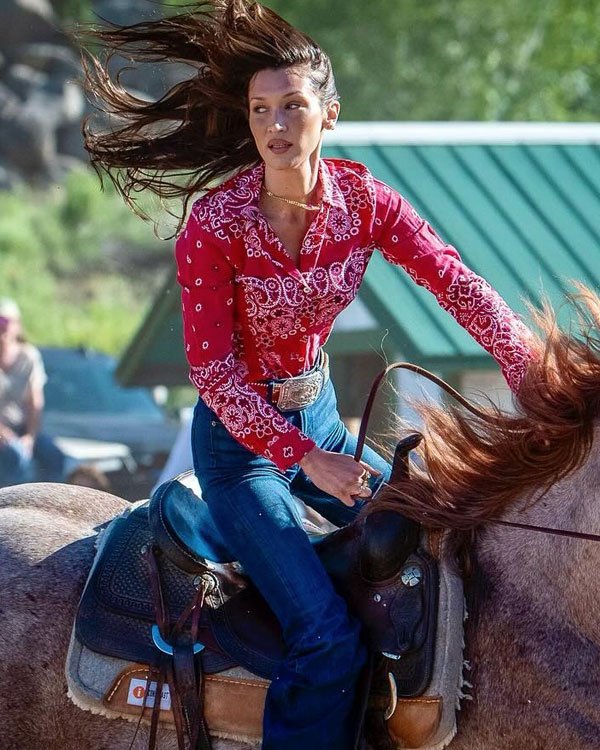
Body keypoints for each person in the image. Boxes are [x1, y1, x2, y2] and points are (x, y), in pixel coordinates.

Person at [80, 2, 533, 747]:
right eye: (262, 109)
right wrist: (308, 459)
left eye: (293, 106)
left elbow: (451, 280)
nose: (275, 125)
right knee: (325, 638)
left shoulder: (365, 202)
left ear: (330, 114)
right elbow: (215, 375)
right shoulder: (214, 227)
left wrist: (525, 361)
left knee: (429, 552)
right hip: (238, 450)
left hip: (319, 412)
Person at [0, 298, 65, 487]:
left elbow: (34, 402)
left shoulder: (28, 357)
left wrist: (31, 437)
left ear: (17, 325)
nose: (2, 327)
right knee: (15, 455)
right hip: (3, 431)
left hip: (21, 426)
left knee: (53, 455)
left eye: (5, 322)